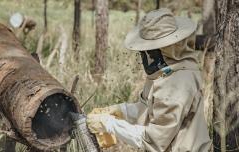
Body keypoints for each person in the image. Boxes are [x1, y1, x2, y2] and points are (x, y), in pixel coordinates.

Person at [87, 8, 211, 152]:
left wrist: (109, 124)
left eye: (151, 51)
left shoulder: (177, 84)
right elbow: (150, 108)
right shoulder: (169, 70)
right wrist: (122, 110)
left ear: (167, 48)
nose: (147, 56)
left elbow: (153, 141)